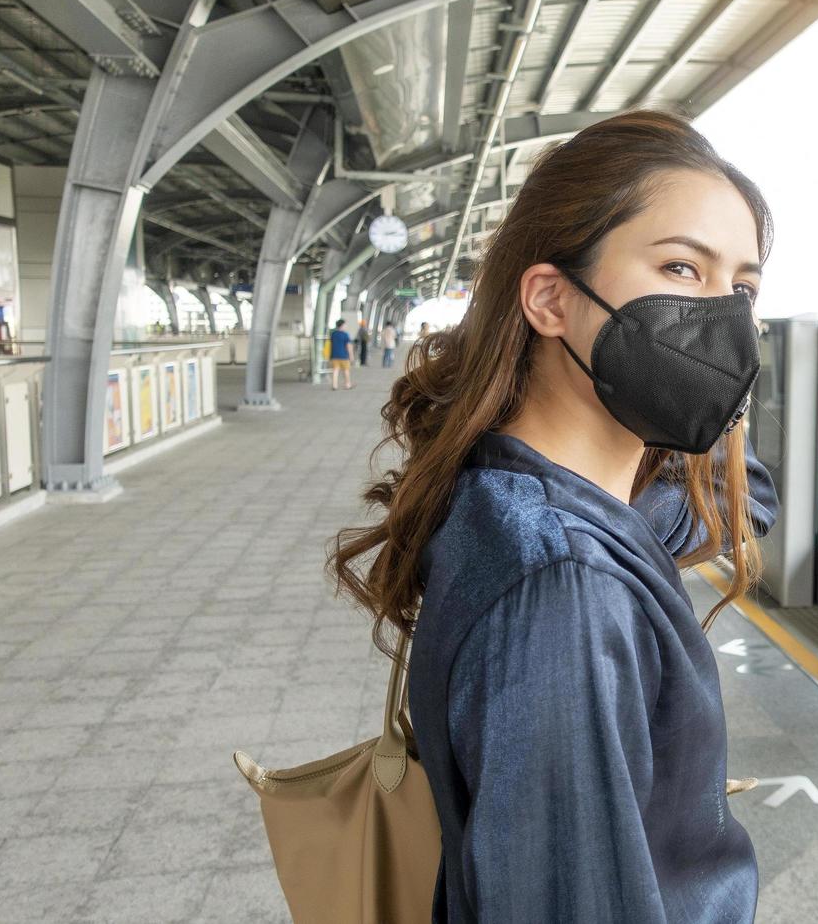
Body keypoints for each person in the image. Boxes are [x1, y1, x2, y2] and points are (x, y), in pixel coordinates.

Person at [328, 109, 777, 923]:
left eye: (742, 288)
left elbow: (747, 503)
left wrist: (694, 411)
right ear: (550, 300)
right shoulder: (564, 584)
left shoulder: (510, 491)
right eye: (681, 269)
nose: (727, 321)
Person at [328, 318, 353, 390]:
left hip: (334, 355)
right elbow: (348, 346)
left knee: (335, 370)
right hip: (343, 356)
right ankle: (348, 384)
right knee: (346, 370)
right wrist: (351, 356)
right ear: (342, 325)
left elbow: (331, 345)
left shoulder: (333, 334)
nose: (346, 326)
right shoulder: (345, 335)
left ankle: (334, 385)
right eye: (345, 325)